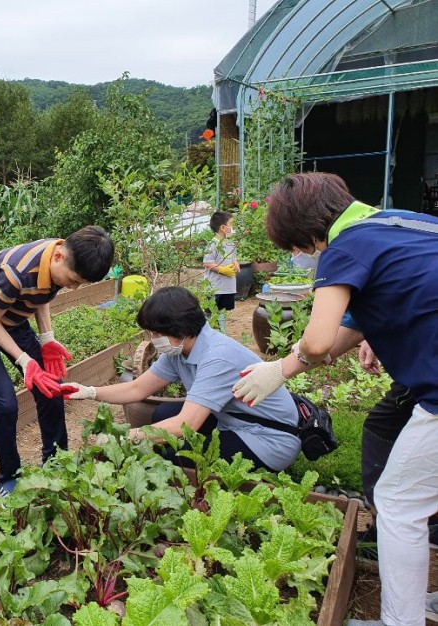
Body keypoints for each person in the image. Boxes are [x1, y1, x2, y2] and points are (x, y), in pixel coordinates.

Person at [230, 172, 438, 626]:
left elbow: (319, 340)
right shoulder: (400, 221)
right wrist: (369, 328)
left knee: (399, 503)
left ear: (306, 231)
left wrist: (278, 370)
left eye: (295, 246)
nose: (298, 255)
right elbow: (362, 321)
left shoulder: (343, 247)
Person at [62, 286, 301, 471]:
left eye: (158, 333)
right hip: (235, 420)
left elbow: (184, 425)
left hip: (269, 439)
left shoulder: (217, 357)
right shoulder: (179, 350)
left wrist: (124, 438)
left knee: (167, 456)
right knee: (162, 414)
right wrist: (89, 391)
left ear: (182, 329)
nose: (154, 339)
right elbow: (136, 389)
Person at [0, 226, 114, 496]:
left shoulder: (57, 257)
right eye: (73, 280)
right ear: (58, 256)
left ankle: (56, 463)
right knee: (5, 405)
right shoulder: (16, 273)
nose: (73, 287)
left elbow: (41, 293)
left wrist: (47, 339)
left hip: (14, 322)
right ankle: (9, 476)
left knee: (52, 388)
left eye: (79, 284)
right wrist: (25, 361)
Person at [202, 211, 239, 333]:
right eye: (232, 225)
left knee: (222, 310)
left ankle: (221, 331)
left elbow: (234, 259)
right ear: (223, 228)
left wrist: (236, 264)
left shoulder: (230, 243)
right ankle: (209, 332)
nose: (234, 228)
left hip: (227, 287)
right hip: (215, 287)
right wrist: (222, 269)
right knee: (211, 311)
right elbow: (207, 262)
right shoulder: (213, 244)